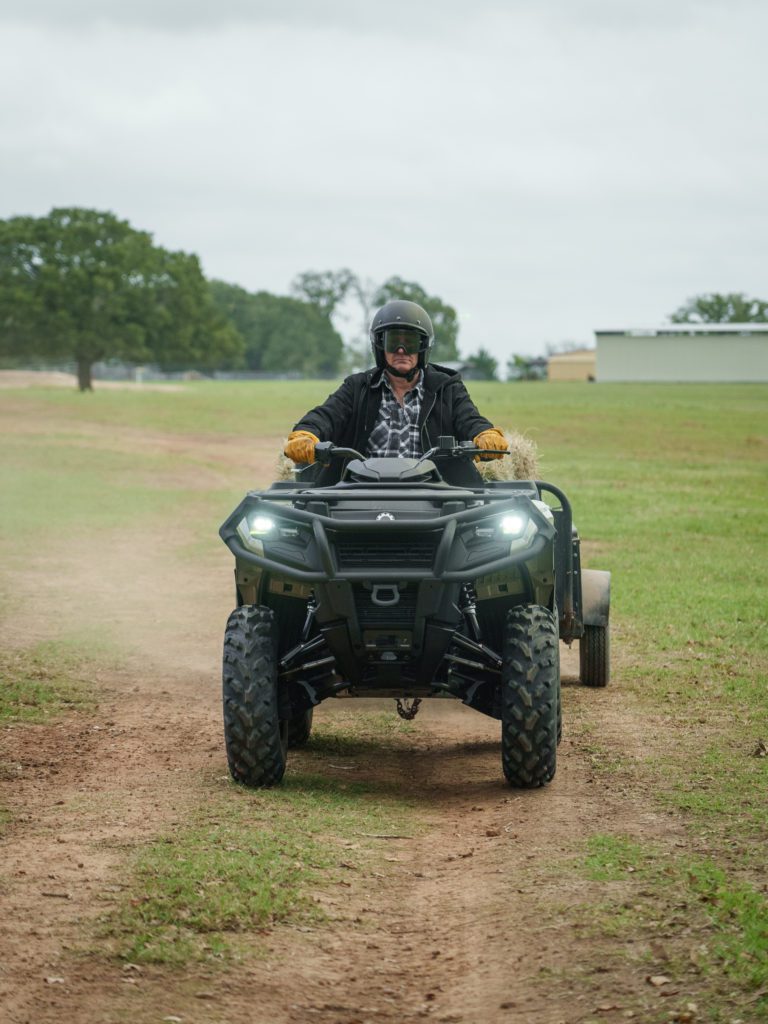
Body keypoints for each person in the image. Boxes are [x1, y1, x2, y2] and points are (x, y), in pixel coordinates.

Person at [284, 299, 508, 483]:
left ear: (422, 347)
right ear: (380, 346)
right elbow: (326, 415)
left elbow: (469, 418)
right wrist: (306, 434)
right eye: (393, 342)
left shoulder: (447, 388)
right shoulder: (357, 387)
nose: (401, 350)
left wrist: (484, 434)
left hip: (435, 494)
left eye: (409, 342)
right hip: (360, 493)